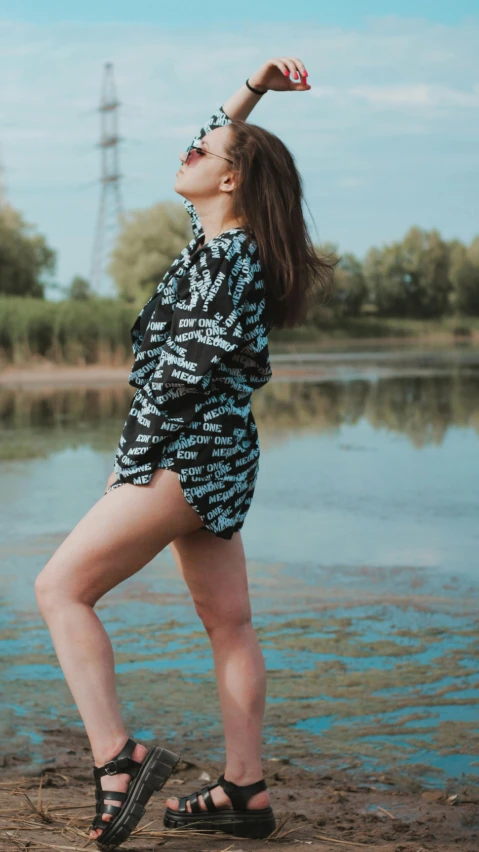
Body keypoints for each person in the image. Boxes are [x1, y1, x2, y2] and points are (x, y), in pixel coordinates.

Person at [34, 56, 335, 850]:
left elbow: (178, 379)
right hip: (221, 458)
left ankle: (119, 760)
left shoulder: (224, 265)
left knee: (60, 589)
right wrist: (252, 88)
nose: (186, 154)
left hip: (183, 457)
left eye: (201, 154)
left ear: (230, 182)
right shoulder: (219, 248)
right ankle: (245, 787)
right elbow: (213, 139)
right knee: (227, 622)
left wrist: (127, 466)